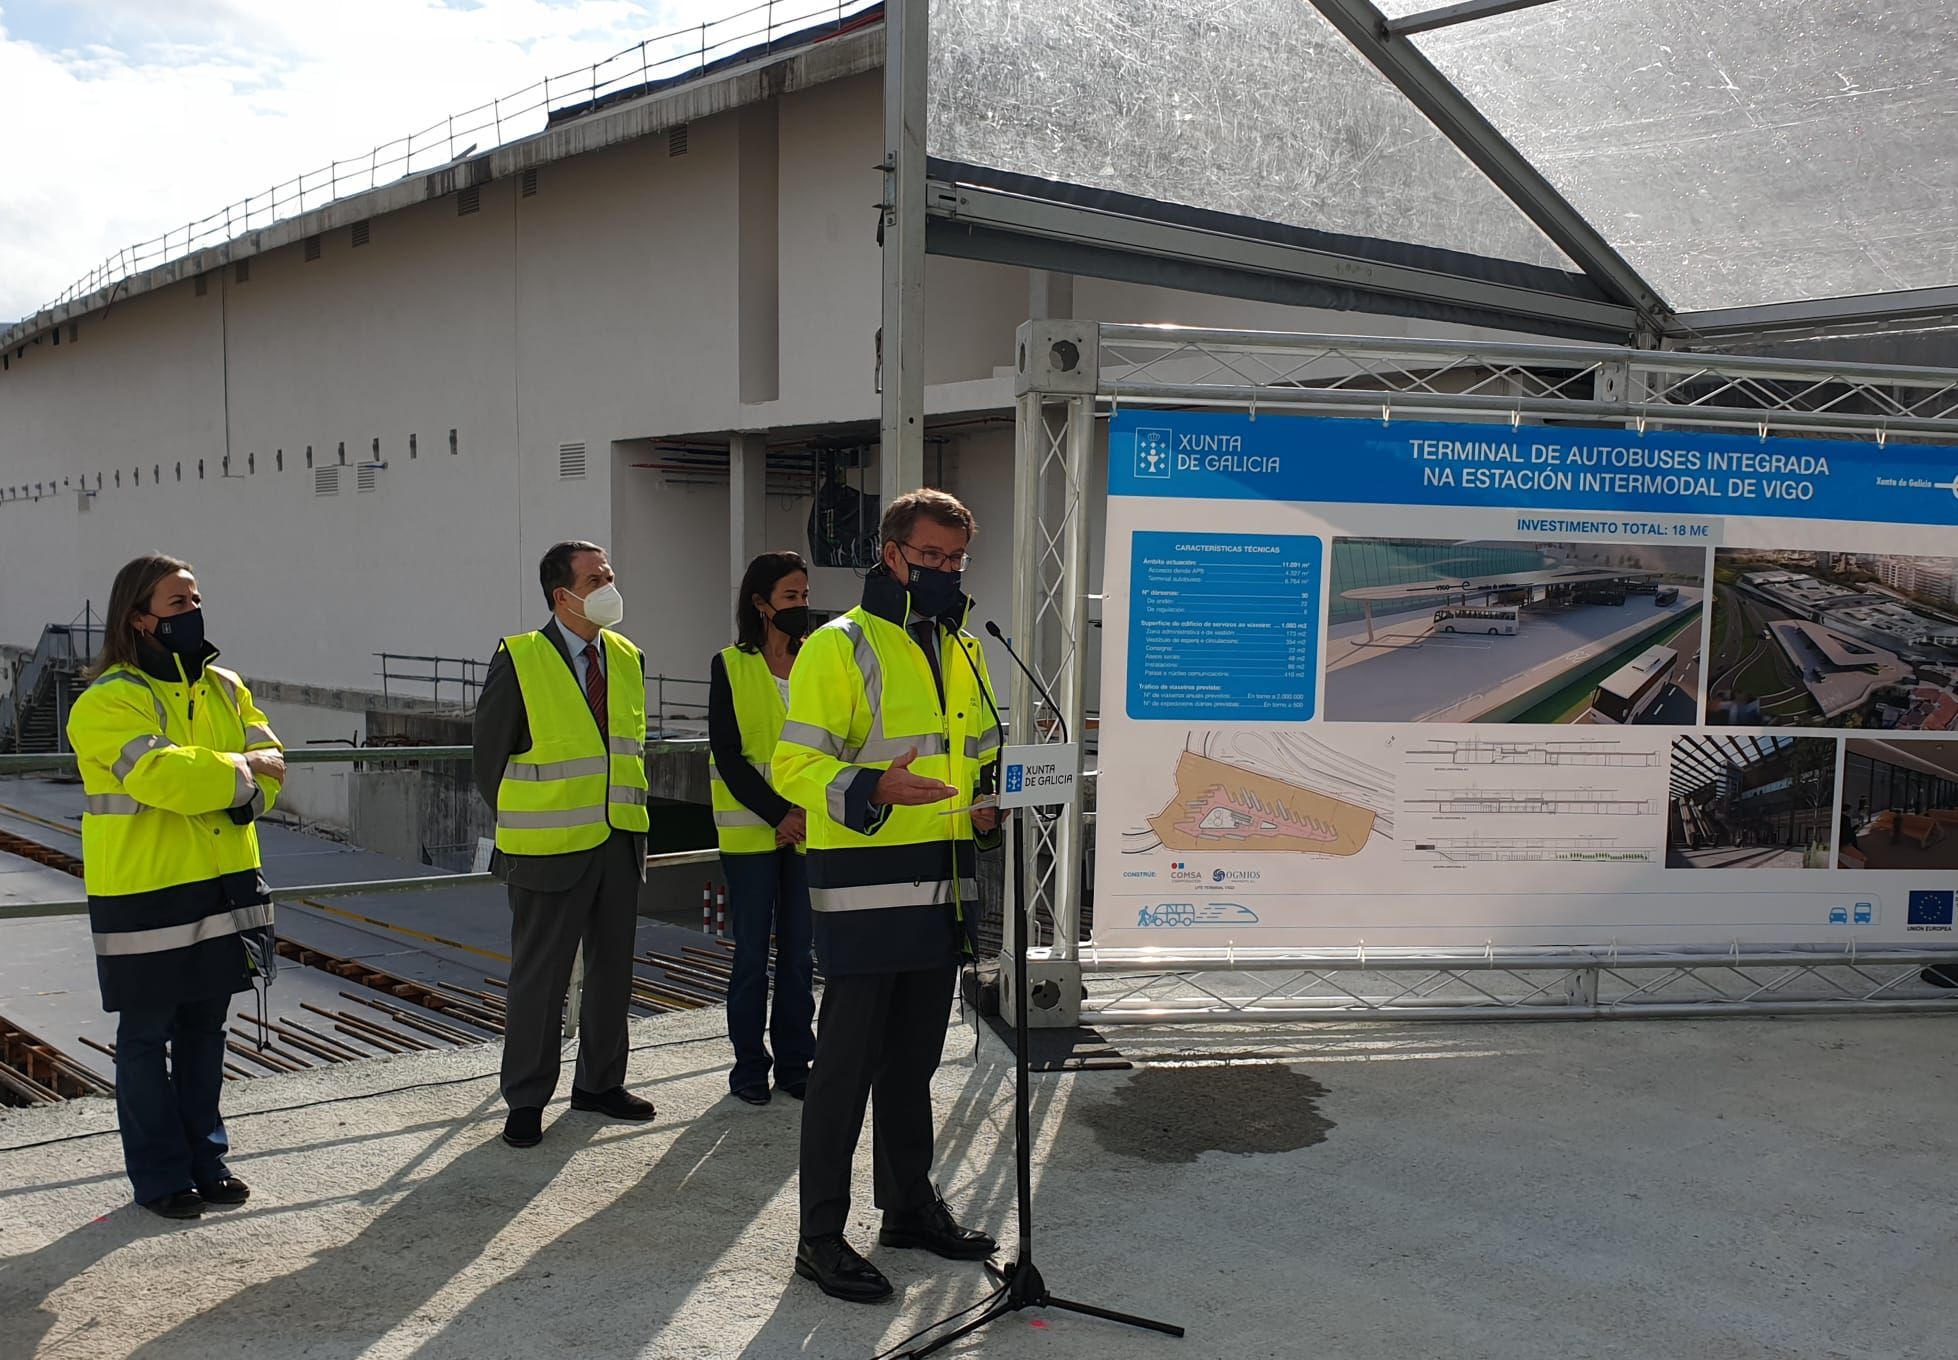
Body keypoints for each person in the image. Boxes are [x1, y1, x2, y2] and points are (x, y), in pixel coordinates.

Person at [774, 488, 1004, 1303]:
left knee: (912, 1067)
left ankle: (908, 1208)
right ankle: (819, 1237)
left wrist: (984, 804)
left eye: (956, 560)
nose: (944, 572)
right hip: (864, 893)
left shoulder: (964, 648)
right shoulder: (838, 646)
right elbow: (793, 768)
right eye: (931, 557)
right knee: (842, 1072)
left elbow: (974, 758)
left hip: (942, 890)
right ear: (892, 554)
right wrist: (877, 787)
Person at [65, 554, 286, 1220]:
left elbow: (272, 768)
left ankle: (206, 1161)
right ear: (139, 618)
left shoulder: (225, 686)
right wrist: (240, 769)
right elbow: (161, 776)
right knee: (145, 1034)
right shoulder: (108, 701)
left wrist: (235, 774)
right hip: (147, 891)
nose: (194, 612)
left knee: (205, 1029)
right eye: (178, 603)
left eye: (195, 599)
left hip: (225, 880)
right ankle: (160, 1175)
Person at [473, 540, 655, 1148]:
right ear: (563, 595)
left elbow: (628, 749)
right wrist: (528, 825)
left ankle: (600, 1084)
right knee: (540, 979)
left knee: (612, 975)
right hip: (547, 846)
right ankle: (525, 1099)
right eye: (597, 577)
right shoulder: (521, 657)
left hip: (619, 840)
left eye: (610, 573)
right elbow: (488, 763)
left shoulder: (626, 657)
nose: (610, 585)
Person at [709, 550, 817, 1105]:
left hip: (810, 833)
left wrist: (803, 818)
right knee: (751, 954)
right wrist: (780, 814)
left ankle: (796, 1063)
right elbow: (728, 755)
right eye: (790, 597)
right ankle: (749, 1066)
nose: (802, 606)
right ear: (760, 604)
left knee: (800, 955)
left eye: (804, 595)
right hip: (753, 833)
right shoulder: (730, 664)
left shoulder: (820, 660)